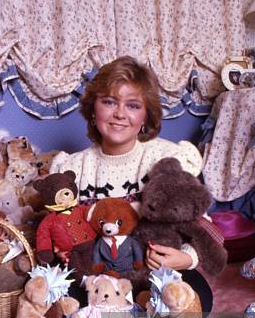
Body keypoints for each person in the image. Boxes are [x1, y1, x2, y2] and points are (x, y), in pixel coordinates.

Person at [50, 55, 204, 274]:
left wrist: (187, 258)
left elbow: (203, 225)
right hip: (98, 276)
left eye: (132, 105)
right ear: (94, 110)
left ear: (145, 116)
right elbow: (62, 228)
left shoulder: (167, 158)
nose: (120, 114)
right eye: (109, 101)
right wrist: (63, 245)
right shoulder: (72, 168)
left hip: (156, 274)